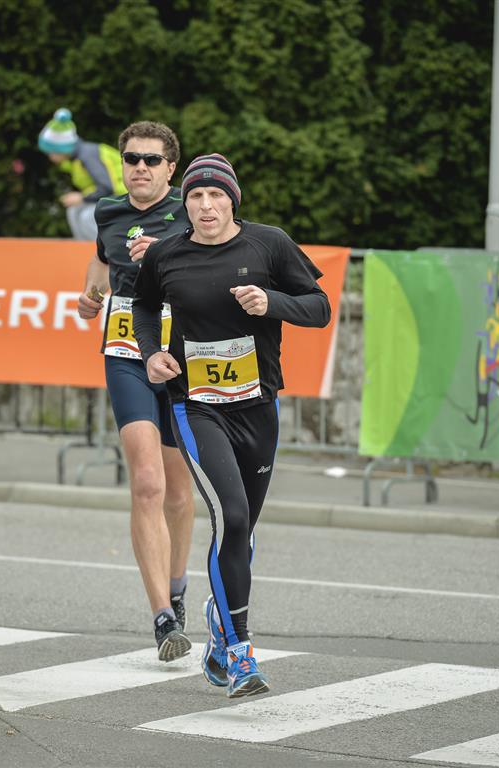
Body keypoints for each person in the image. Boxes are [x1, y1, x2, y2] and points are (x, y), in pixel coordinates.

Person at [132, 154, 331, 697]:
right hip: (195, 405)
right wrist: (151, 354)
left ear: (232, 201)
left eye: (216, 195)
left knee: (241, 530)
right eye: (196, 196)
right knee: (232, 515)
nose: (206, 205)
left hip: (257, 406)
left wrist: (271, 302)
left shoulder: (269, 244)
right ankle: (241, 653)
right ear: (186, 203)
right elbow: (143, 308)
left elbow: (319, 308)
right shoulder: (167, 254)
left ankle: (220, 622)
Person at [76, 121, 196, 662]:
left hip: (183, 357)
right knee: (147, 484)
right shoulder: (108, 212)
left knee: (178, 494)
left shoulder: (193, 209)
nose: (140, 168)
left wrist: (166, 255)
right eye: (131, 159)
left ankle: (178, 586)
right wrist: (90, 294)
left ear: (171, 167)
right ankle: (163, 618)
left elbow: (214, 264)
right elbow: (102, 261)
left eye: (151, 160)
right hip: (126, 351)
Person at [37, 108, 126, 241]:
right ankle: (82, 250)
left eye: (51, 152)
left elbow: (107, 187)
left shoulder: (87, 155)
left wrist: (82, 198)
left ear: (61, 148)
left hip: (125, 198)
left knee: (88, 217)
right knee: (73, 210)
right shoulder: (75, 160)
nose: (50, 157)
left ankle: (107, 250)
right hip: (113, 198)